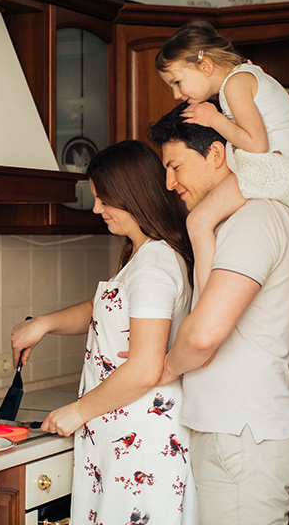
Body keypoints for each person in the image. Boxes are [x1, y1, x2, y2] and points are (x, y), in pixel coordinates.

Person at [10, 140, 197, 525]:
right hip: (125, 430)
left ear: (133, 195)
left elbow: (145, 367)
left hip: (141, 440)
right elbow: (107, 309)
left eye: (103, 199)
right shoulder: (143, 255)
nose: (97, 209)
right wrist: (43, 324)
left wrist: (78, 411)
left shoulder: (153, 266)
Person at [147, 105, 289, 524]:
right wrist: (200, 226)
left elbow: (204, 335)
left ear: (216, 154)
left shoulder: (256, 217)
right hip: (237, 433)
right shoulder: (229, 221)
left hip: (242, 436)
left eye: (176, 165)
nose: (170, 182)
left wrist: (163, 368)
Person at [156, 19, 289, 293]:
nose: (175, 94)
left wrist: (214, 119)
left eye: (178, 82)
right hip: (284, 170)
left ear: (205, 65)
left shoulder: (235, 84)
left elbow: (256, 144)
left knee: (198, 221)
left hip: (272, 169)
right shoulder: (245, 76)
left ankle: (203, 303)